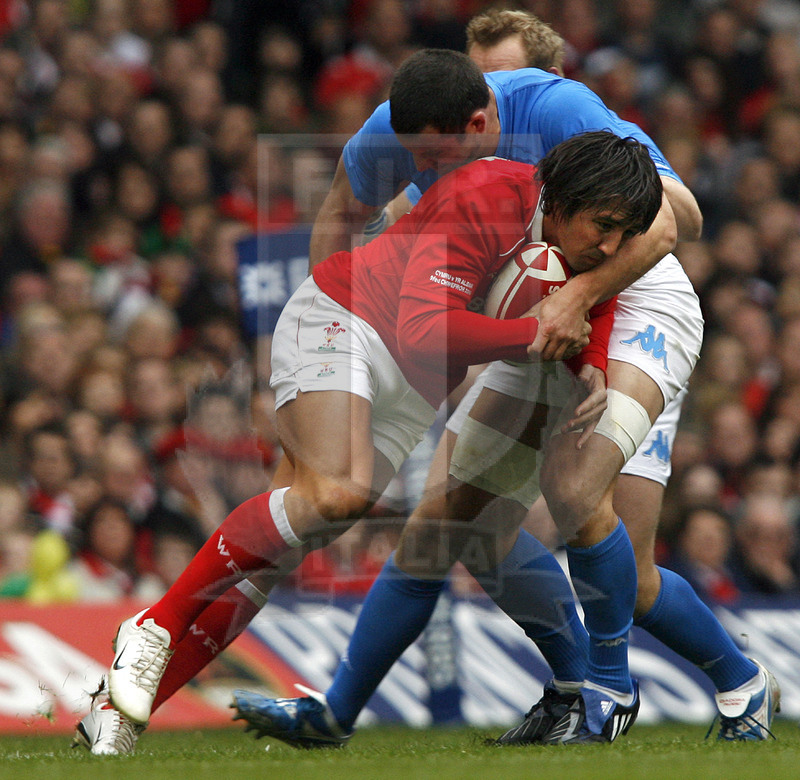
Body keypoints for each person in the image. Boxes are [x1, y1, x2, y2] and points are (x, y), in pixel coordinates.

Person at [73, 12, 774, 753]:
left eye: (497, 79)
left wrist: (577, 329)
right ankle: (340, 709)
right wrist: (328, 354)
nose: (435, 172)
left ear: (499, 102)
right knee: (442, 527)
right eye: (423, 161)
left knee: (583, 512)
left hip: (635, 303)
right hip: (473, 323)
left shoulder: (566, 121)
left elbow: (660, 227)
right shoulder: (411, 146)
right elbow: (348, 230)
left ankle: (622, 687)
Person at [76, 129, 651, 754]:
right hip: (346, 316)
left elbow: (588, 307)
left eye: (626, 234)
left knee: (275, 554)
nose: (612, 245)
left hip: (414, 385)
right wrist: (530, 336)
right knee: (338, 494)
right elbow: (428, 330)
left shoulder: (583, 250)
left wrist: (591, 359)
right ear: (564, 199)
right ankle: (154, 624)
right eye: (606, 225)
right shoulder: (488, 194)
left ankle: (117, 716)